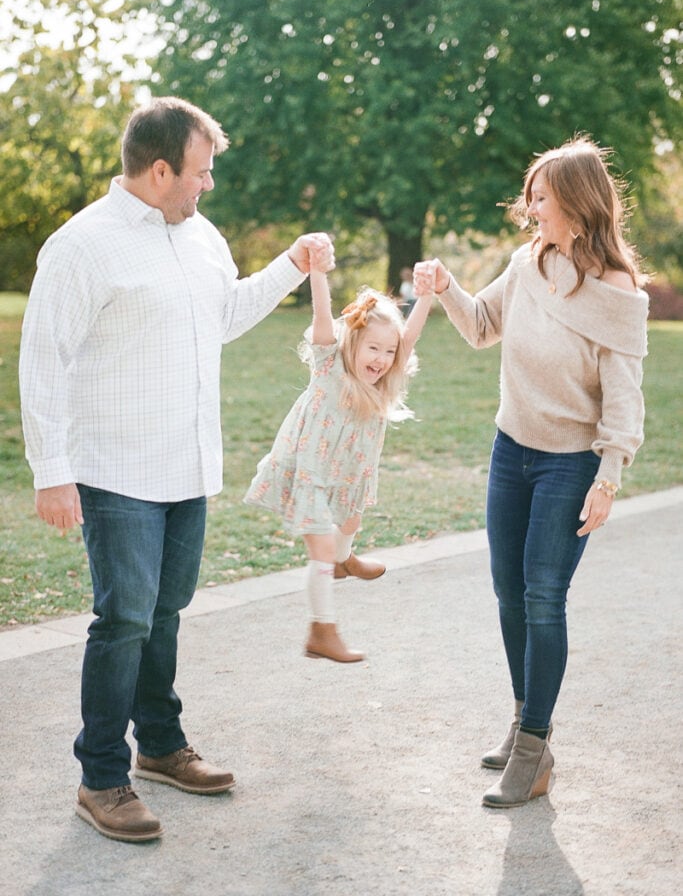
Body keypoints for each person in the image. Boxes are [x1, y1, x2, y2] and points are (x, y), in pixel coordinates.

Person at [18, 96, 335, 843]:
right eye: (201, 173)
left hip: (187, 465)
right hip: (116, 469)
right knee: (125, 616)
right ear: (160, 170)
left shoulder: (199, 237)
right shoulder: (80, 246)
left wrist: (291, 265)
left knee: (165, 609)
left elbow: (221, 318)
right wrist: (50, 470)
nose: (208, 186)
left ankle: (158, 744)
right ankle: (101, 777)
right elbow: (43, 361)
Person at [413, 135, 648, 808]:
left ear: (573, 202)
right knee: (507, 592)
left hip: (570, 464)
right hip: (510, 447)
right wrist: (446, 285)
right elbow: (481, 326)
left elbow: (623, 393)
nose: (528, 206)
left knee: (544, 596)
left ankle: (535, 745)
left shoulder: (615, 292)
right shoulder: (526, 263)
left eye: (539, 196)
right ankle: (522, 722)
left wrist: (608, 475)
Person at [244, 264, 432, 663]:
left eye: (388, 351)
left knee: (349, 521)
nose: (381, 359)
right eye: (373, 348)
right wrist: (317, 273)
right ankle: (322, 630)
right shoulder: (329, 364)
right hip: (310, 470)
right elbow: (321, 315)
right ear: (352, 345)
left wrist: (427, 296)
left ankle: (345, 560)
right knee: (321, 544)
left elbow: (409, 337)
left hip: (347, 473)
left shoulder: (383, 380)